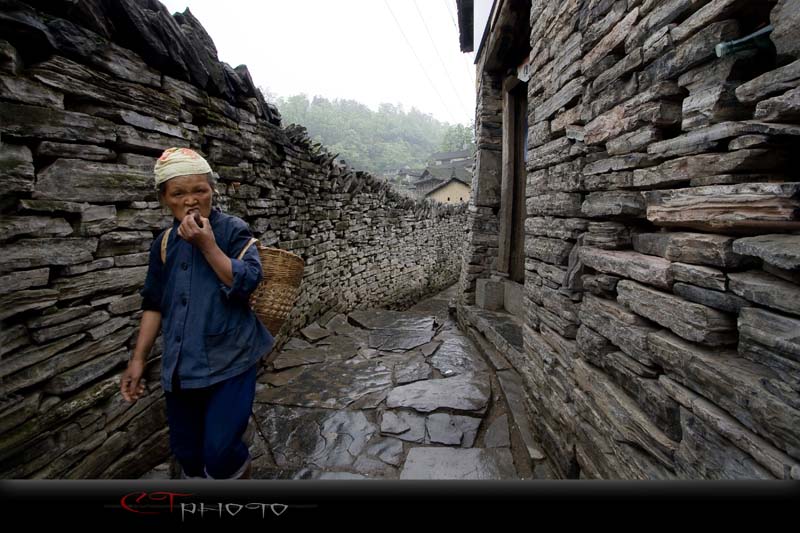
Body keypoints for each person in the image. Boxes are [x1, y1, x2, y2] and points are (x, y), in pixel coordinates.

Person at [120, 147, 273, 480]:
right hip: (182, 366)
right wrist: (137, 360)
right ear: (164, 198)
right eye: (178, 193)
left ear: (211, 192)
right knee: (188, 452)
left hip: (231, 358)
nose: (190, 200)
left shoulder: (232, 230)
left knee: (219, 454)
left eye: (199, 190)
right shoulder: (163, 243)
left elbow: (247, 281)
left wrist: (208, 245)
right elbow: (154, 303)